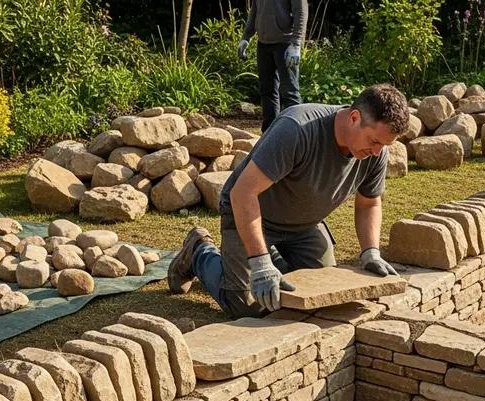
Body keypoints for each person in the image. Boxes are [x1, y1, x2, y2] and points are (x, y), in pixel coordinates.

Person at [167, 84, 410, 318]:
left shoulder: (376, 153)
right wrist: (260, 264)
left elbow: (369, 203)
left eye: (385, 145)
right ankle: (200, 251)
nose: (378, 152)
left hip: (303, 226)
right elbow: (243, 193)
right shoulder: (297, 129)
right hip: (252, 215)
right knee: (248, 306)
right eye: (374, 141)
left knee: (322, 292)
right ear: (354, 117)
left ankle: (273, 259)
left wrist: (371, 252)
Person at [238, 0, 308, 133]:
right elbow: (255, 10)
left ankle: (295, 134)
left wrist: (296, 43)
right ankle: (270, 134)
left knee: (290, 92)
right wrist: (246, 37)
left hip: (285, 43)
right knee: (267, 90)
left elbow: (301, 12)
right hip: (263, 44)